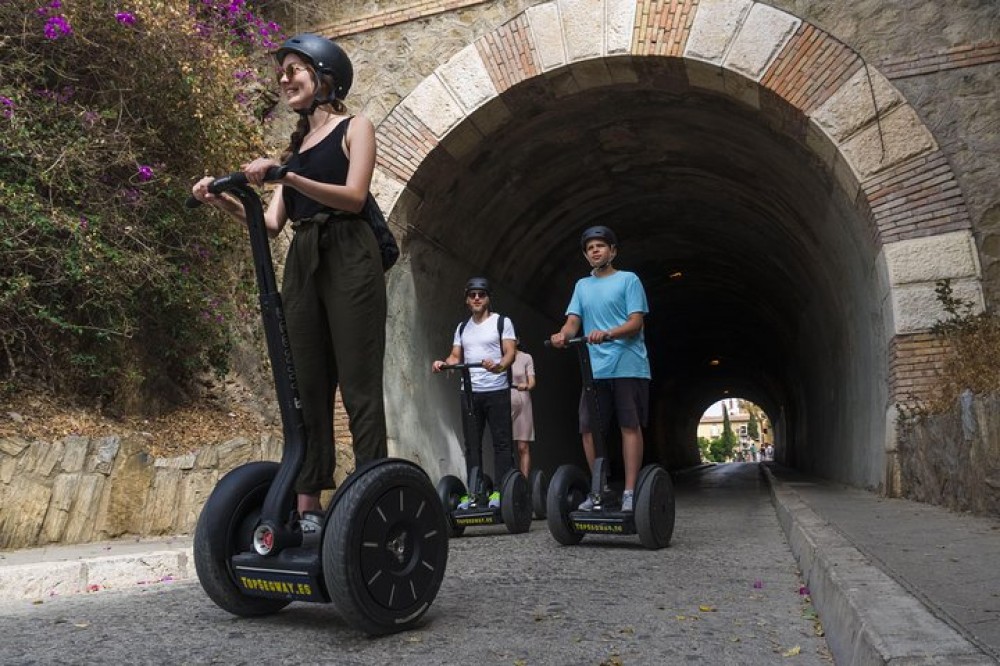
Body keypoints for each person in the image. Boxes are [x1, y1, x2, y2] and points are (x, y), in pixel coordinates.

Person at [191, 33, 386, 540]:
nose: (284, 79)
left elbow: (354, 196)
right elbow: (274, 223)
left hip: (349, 249)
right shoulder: (295, 147)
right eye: (283, 72)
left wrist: (289, 177)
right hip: (304, 256)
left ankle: (371, 491)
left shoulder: (354, 126)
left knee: (359, 385)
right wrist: (223, 198)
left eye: (295, 69)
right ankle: (309, 507)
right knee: (307, 384)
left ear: (325, 77)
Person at [549, 226, 650, 513]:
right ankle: (600, 488)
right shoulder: (582, 286)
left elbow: (635, 323)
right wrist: (562, 335)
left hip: (628, 363)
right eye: (590, 247)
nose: (595, 250)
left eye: (601, 246)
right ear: (586, 254)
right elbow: (572, 322)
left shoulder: (628, 280)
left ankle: (630, 491)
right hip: (596, 368)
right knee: (588, 428)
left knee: (628, 426)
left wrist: (607, 333)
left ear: (612, 251)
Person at [432, 278, 517, 509]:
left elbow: (510, 353)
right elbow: (455, 356)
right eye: (472, 295)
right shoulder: (462, 328)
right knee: (472, 445)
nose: (477, 298)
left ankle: (501, 491)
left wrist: (499, 366)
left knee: (501, 443)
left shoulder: (502, 322)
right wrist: (444, 363)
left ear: (488, 297)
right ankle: (475, 492)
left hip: (497, 390)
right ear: (467, 300)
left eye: (481, 294)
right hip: (470, 392)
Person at [510, 340, 536, 478]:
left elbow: (532, 382)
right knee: (505, 446)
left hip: (522, 400)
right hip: (505, 400)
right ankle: (507, 483)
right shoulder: (499, 356)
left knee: (522, 446)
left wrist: (525, 385)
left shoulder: (526, 357)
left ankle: (524, 483)